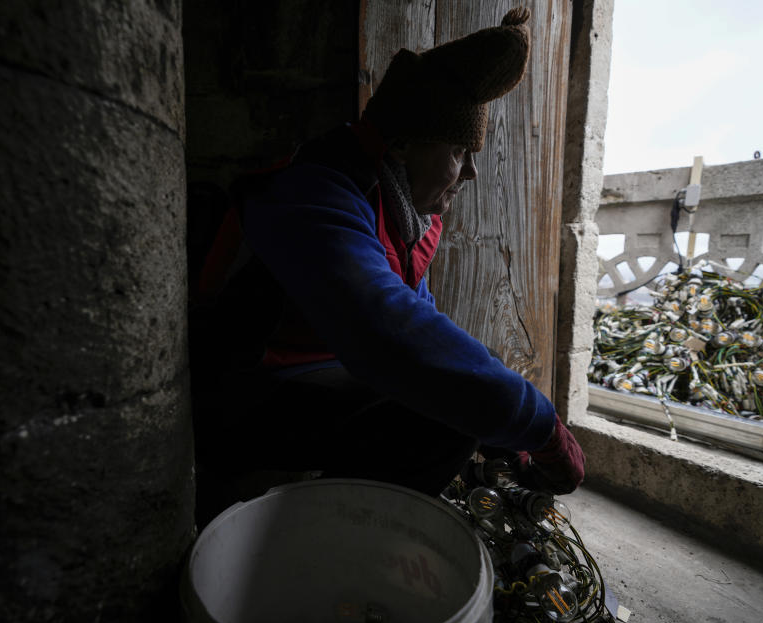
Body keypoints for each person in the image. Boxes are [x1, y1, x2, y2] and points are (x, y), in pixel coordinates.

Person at [191, 7, 585, 526]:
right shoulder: (313, 193)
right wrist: (538, 424)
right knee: (445, 423)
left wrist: (501, 431)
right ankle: (324, 543)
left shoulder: (400, 215)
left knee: (465, 382)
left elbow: (430, 335)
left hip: (308, 376)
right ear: (402, 143)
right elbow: (389, 332)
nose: (468, 173)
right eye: (459, 151)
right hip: (238, 397)